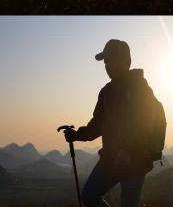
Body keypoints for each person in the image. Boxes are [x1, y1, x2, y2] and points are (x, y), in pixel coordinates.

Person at [61, 39, 166, 207]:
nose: (107, 65)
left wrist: (128, 150)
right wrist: (77, 135)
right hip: (111, 158)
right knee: (88, 195)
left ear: (127, 61)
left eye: (111, 59)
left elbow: (145, 123)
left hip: (136, 161)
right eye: (106, 61)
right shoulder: (106, 92)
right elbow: (97, 125)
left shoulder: (141, 88)